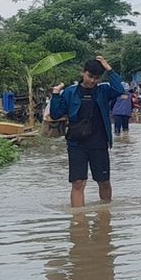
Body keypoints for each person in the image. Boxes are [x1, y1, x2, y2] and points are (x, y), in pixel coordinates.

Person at [49, 56, 125, 208]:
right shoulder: (70, 92)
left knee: (103, 181)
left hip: (99, 143)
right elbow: (56, 114)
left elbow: (119, 89)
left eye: (96, 78)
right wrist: (56, 94)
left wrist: (108, 68)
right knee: (78, 182)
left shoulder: (103, 90)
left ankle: (105, 216)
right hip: (76, 144)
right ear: (83, 73)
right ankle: (78, 220)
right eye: (90, 76)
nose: (92, 81)